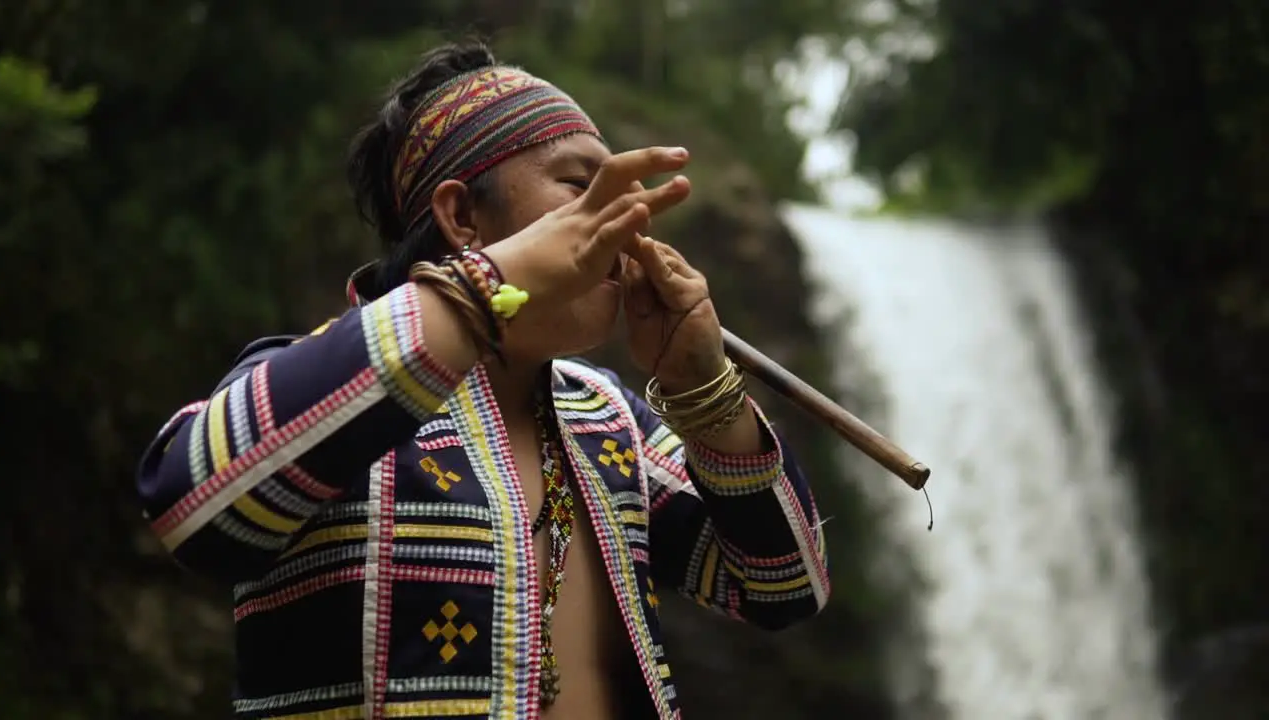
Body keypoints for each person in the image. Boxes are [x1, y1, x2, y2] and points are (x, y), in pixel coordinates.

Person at [136, 40, 831, 720]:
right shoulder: (330, 388)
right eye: (579, 185)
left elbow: (781, 586)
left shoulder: (608, 418)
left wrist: (704, 389)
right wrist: (492, 285)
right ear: (463, 216)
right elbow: (188, 503)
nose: (627, 217)